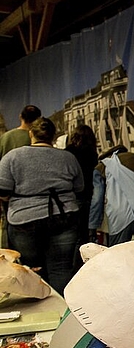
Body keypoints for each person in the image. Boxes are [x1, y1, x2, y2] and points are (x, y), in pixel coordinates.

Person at [0, 117, 84, 293]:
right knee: (61, 269)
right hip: (65, 217)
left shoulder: (13, 157)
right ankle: (62, 315)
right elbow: (79, 188)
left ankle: (39, 313)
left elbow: (3, 191)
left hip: (24, 219)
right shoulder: (68, 158)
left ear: (31, 133)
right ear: (53, 136)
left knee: (30, 270)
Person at [0, 105, 42, 248]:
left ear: (20, 116)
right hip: (39, 198)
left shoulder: (6, 138)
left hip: (11, 196)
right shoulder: (40, 140)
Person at [65, 124, 98, 267]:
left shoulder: (68, 154)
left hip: (68, 198)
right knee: (82, 236)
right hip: (86, 197)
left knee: (70, 237)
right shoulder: (92, 154)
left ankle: (70, 266)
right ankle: (80, 266)